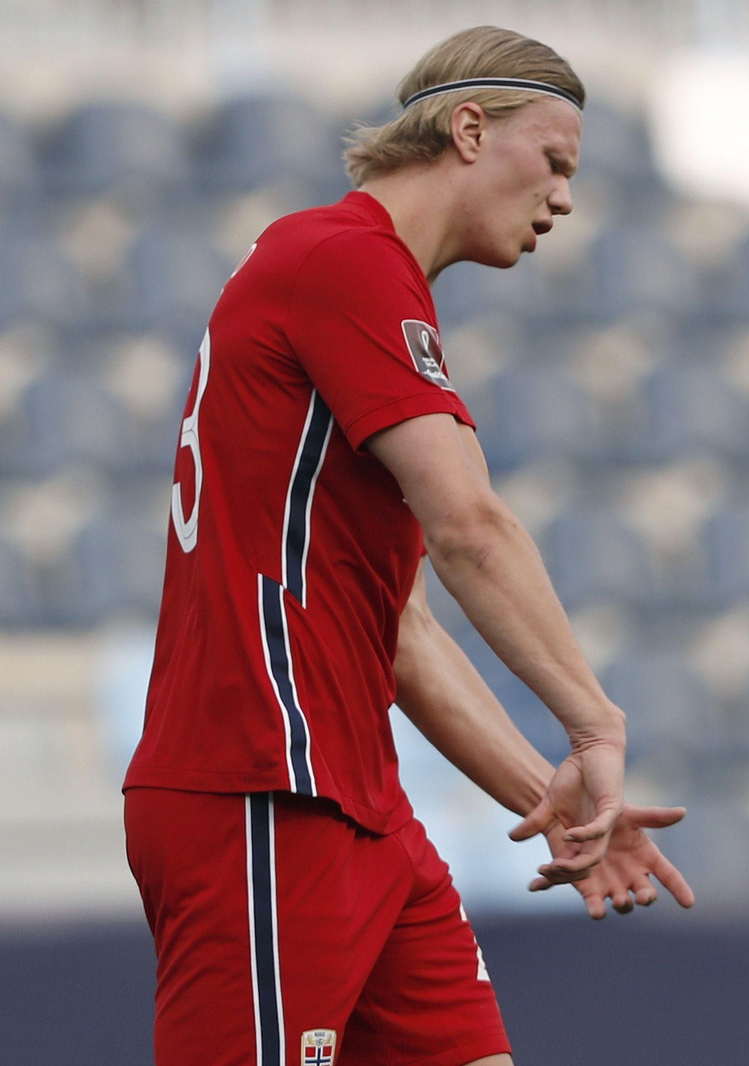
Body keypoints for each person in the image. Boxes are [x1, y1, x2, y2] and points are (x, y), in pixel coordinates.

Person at [122, 26, 692, 1066]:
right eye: (554, 162)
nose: (562, 198)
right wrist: (593, 723)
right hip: (261, 787)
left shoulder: (347, 273)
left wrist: (546, 794)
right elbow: (471, 524)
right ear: (469, 129)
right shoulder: (345, 260)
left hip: (357, 800)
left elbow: (401, 632)